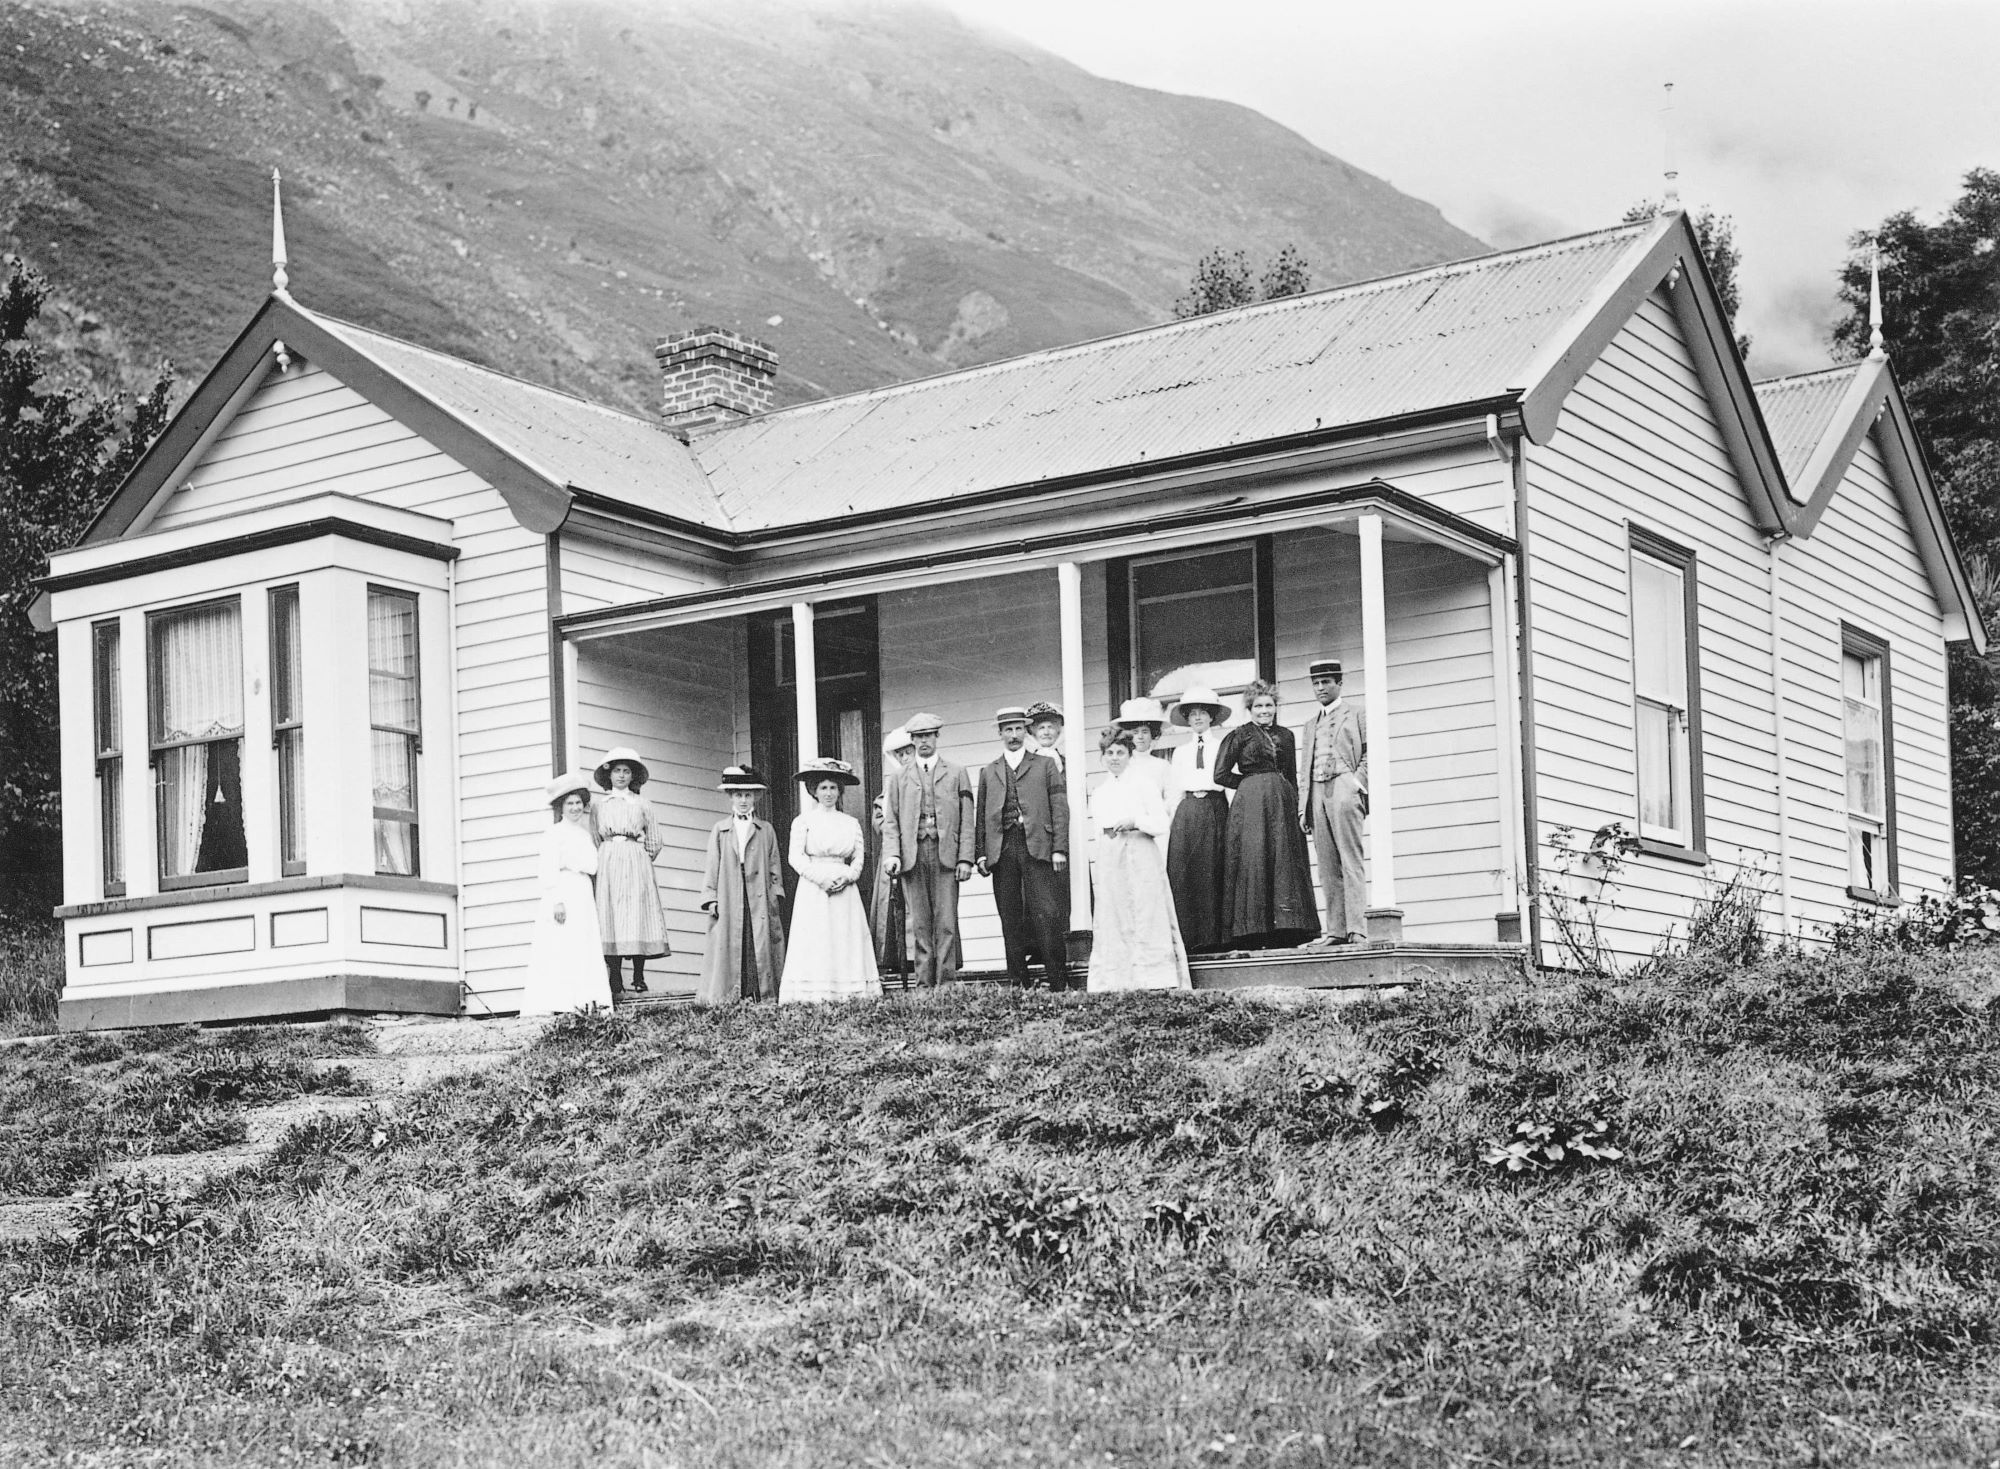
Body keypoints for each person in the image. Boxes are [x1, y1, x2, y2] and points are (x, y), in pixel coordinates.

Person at [1214, 679, 1321, 948]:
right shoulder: (1239, 735)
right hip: (1251, 804)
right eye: (1259, 706)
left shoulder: (1286, 735)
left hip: (1282, 802)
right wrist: (1250, 783)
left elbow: (1292, 774)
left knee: (1283, 857)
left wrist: (1299, 807)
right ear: (1250, 708)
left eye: (1269, 705)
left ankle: (1288, 929)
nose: (1265, 710)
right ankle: (1253, 930)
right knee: (1255, 856)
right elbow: (1220, 774)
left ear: (1276, 707)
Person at [975, 706, 1073, 990]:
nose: (1014, 735)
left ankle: (1058, 980)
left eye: (1019, 729)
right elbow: (982, 815)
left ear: (1025, 731)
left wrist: (1060, 848)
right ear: (1000, 734)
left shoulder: (1044, 765)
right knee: (1010, 914)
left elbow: (1059, 809)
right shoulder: (988, 771)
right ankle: (1018, 982)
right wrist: (981, 852)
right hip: (1002, 848)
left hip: (1038, 846)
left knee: (1046, 912)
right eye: (1008, 730)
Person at [1088, 726, 1191, 992]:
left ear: (1129, 755)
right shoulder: (1100, 792)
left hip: (1142, 853)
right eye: (1109, 753)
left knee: (1147, 913)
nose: (1114, 758)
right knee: (1116, 914)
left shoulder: (1144, 784)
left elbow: (1160, 823)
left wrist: (1135, 821)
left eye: (1120, 752)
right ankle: (1117, 979)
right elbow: (1099, 826)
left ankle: (1154, 977)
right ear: (1102, 757)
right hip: (1113, 857)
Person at [881, 713, 976, 987]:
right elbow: (891, 821)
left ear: (937, 738)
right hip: (913, 855)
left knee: (945, 921)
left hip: (946, 855)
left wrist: (966, 858)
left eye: (928, 736)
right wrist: (893, 854)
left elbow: (967, 819)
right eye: (918, 737)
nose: (924, 741)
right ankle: (924, 984)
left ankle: (946, 983)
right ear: (912, 740)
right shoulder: (899, 778)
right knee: (920, 923)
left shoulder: (956, 772)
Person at [779, 759, 881, 1003]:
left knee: (843, 937)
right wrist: (821, 879)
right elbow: (795, 857)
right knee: (817, 938)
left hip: (844, 888)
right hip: (814, 888)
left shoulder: (850, 823)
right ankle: (814, 993)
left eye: (833, 788)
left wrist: (847, 877)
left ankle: (848, 991)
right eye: (823, 788)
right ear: (814, 790)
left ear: (840, 791)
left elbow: (858, 858)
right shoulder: (803, 822)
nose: (828, 793)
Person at [521, 771, 615, 1016]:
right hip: (562, 891)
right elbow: (548, 870)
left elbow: (593, 867)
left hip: (582, 893)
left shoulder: (585, 836)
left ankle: (584, 1001)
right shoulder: (554, 834)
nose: (574, 808)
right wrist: (557, 902)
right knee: (562, 945)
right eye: (569, 803)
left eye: (578, 803)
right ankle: (560, 1002)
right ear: (560, 807)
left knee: (583, 944)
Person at [697, 766, 787, 1003]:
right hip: (730, 890)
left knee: (758, 938)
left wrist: (775, 893)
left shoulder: (765, 829)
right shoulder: (720, 829)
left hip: (758, 891)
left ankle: (759, 992)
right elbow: (712, 865)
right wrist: (711, 897)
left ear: (755, 797)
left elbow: (773, 864)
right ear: (730, 797)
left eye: (748, 795)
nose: (743, 800)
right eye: (738, 795)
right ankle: (729, 995)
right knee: (731, 939)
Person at [1300, 658, 1371, 946]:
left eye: (1326, 682)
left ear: (1339, 683)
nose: (1320, 688)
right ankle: (1336, 930)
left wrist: (1356, 783)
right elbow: (1304, 767)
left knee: (1350, 860)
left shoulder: (1356, 714)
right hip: (1317, 792)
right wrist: (1303, 806)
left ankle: (1357, 929)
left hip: (1344, 785)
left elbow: (1370, 751)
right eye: (1316, 683)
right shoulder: (1309, 724)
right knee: (1327, 864)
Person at [591, 746, 671, 994]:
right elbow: (595, 837)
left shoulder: (642, 804)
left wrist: (640, 858)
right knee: (611, 914)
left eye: (626, 771)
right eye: (617, 771)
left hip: (636, 861)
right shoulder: (599, 806)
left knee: (637, 913)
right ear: (609, 775)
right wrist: (609, 855)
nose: (622, 776)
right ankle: (615, 976)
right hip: (609, 861)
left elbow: (655, 840)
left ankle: (638, 975)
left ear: (633, 776)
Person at [1165, 684, 1232, 952]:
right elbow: (1174, 791)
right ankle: (1192, 938)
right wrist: (1171, 823)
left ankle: (1216, 937)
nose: (1198, 718)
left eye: (1203, 713)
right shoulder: (1180, 752)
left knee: (1215, 869)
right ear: (1187, 720)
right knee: (1188, 872)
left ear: (1212, 716)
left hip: (1216, 808)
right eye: (1192, 714)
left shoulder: (1223, 746)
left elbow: (1229, 784)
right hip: (1189, 810)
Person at [870, 728, 915, 981]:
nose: (906, 757)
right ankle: (893, 961)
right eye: (901, 754)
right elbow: (880, 825)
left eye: (910, 752)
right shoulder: (887, 791)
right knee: (892, 907)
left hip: (918, 857)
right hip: (893, 858)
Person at [1113, 696, 1176, 806]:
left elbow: (1171, 799)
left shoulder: (1162, 766)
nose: (1140, 737)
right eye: (1135, 732)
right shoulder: (1121, 764)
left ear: (1153, 734)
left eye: (1145, 732)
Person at [1026, 701, 1066, 773]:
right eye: (1041, 728)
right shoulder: (1024, 765)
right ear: (1032, 732)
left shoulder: (1069, 763)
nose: (1046, 732)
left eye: (1050, 727)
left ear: (1058, 731)